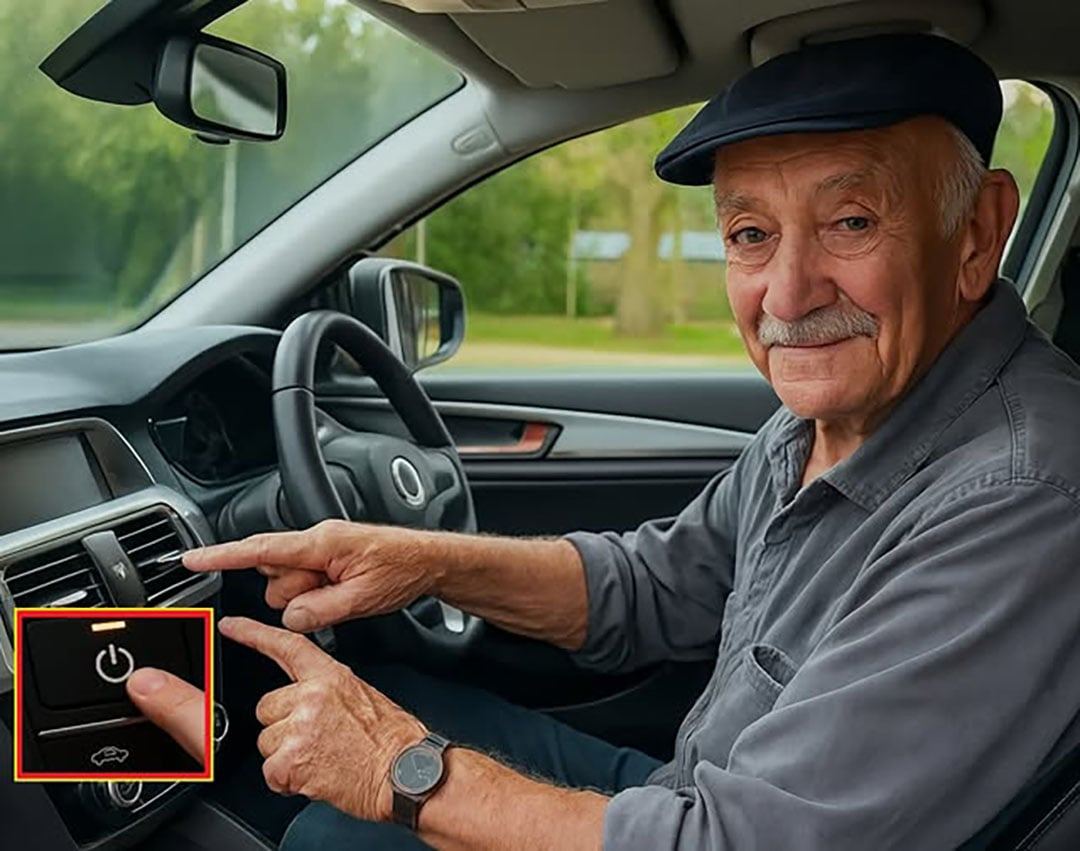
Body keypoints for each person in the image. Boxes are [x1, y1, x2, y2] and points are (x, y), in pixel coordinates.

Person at [126, 32, 1080, 849]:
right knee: (385, 699)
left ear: (976, 232)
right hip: (691, 794)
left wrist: (400, 770)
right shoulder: (836, 413)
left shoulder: (1017, 496)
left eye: (851, 221)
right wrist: (421, 561)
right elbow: (654, 586)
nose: (788, 296)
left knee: (330, 817)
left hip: (717, 828)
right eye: (750, 234)